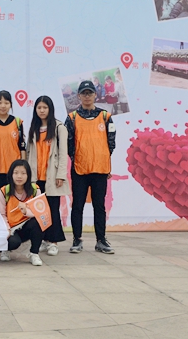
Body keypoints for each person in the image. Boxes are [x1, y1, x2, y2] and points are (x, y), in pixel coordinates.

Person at [65, 80, 116, 254]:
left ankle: (101, 240)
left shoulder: (105, 116)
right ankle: (77, 240)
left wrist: (101, 159)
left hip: (100, 170)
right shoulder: (72, 118)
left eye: (90, 93)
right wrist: (79, 157)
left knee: (99, 206)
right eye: (84, 93)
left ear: (95, 95)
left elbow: (111, 143)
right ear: (79, 96)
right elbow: (68, 143)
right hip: (79, 169)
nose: (87, 96)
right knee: (77, 206)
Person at [27, 95, 69, 256]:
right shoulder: (34, 128)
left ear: (50, 109)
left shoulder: (59, 128)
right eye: (39, 107)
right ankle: (43, 240)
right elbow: (29, 153)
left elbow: (63, 153)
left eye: (45, 107)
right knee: (39, 211)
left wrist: (61, 175)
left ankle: (53, 242)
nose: (42, 110)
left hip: (52, 176)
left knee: (53, 210)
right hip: (36, 177)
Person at [0, 160, 45, 266]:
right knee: (13, 242)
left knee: (39, 222)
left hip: (26, 225)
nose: (19, 176)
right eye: (16, 173)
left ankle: (34, 253)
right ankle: (5, 249)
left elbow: (39, 212)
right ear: (11, 174)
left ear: (28, 175)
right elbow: (1, 214)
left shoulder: (35, 190)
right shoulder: (4, 191)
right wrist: (7, 229)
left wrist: (26, 211)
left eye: (23, 173)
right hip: (11, 228)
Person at [0, 90, 26, 189]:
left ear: (11, 105)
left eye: (6, 103)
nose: (3, 106)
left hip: (14, 169)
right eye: (0, 103)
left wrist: (23, 166)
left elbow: (22, 145)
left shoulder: (17, 122)